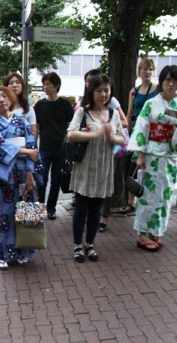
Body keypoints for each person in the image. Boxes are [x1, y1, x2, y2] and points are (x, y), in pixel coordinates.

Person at [127, 65, 177, 251]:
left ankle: (156, 230)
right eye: (167, 80)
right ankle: (142, 234)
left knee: (165, 195)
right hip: (152, 155)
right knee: (148, 195)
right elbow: (141, 128)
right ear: (162, 82)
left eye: (174, 81)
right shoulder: (151, 103)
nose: (170, 84)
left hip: (171, 156)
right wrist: (139, 154)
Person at [67, 75, 125, 262]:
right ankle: (77, 245)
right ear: (91, 92)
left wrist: (110, 137)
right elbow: (72, 134)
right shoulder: (82, 112)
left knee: (96, 210)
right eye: (99, 90)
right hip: (85, 166)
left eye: (106, 90)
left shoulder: (114, 113)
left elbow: (122, 139)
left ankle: (90, 244)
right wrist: (96, 134)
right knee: (82, 208)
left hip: (104, 167)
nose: (103, 94)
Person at [0, 86, 43, 270]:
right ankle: (0, 254)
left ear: (10, 99)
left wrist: (30, 172)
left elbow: (33, 147)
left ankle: (23, 251)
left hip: (23, 172)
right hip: (4, 176)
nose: (1, 100)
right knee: (3, 214)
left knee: (24, 212)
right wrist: (24, 151)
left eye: (4, 96)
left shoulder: (22, 121)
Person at [120, 59, 160, 216]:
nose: (147, 72)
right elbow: (129, 113)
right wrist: (127, 134)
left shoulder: (157, 90)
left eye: (150, 69)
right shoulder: (134, 91)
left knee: (149, 167)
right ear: (139, 71)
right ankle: (131, 202)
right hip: (137, 132)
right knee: (132, 168)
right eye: (144, 69)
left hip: (151, 131)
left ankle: (149, 200)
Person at [34, 72, 74, 220]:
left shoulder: (65, 105)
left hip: (61, 149)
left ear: (56, 85)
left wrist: (68, 146)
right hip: (44, 148)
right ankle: (39, 207)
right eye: (44, 84)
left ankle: (51, 208)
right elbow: (37, 127)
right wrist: (34, 146)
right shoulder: (39, 105)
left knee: (56, 180)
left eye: (49, 84)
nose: (46, 87)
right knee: (41, 180)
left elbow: (70, 127)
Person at [3, 73, 38, 137]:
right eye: (11, 83)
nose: (14, 85)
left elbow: (33, 132)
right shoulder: (0, 107)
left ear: (22, 86)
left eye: (17, 82)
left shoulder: (28, 109)